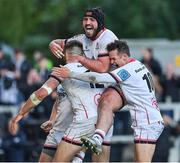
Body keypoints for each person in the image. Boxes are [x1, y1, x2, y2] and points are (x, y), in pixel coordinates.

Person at [51, 40, 165, 162]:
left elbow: (97, 77)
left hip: (147, 123)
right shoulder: (137, 64)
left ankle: (96, 139)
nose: (112, 62)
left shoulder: (127, 71)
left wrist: (71, 74)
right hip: (148, 121)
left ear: (125, 56)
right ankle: (97, 138)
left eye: (114, 58)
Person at [49, 7, 124, 161]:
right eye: (85, 19)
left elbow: (103, 68)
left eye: (92, 20)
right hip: (96, 105)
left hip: (103, 100)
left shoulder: (107, 38)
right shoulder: (82, 38)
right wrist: (52, 43)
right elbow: (62, 43)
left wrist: (80, 58)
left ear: (100, 23)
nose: (88, 23)